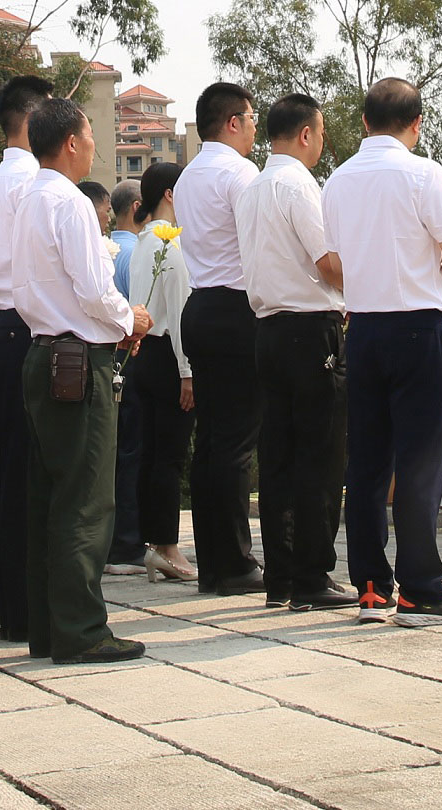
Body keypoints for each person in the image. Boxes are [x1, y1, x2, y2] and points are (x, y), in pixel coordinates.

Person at [324, 78, 442, 626]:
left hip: (363, 330)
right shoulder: (424, 173)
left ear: (364, 121)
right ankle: (421, 588)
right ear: (416, 124)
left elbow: (334, 262)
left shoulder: (337, 181)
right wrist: (441, 288)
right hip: (418, 326)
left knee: (367, 462)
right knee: (420, 460)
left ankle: (371, 587)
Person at [16, 97, 153, 663]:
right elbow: (94, 289)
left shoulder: (27, 198)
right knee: (86, 499)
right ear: (71, 142)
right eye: (91, 133)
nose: (96, 143)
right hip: (76, 360)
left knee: (49, 496)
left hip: (41, 352)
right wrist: (130, 318)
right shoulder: (70, 203)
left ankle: (48, 627)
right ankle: (82, 630)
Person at [239, 93, 353, 611]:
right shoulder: (301, 185)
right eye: (321, 134)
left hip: (267, 329)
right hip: (310, 328)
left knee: (278, 457)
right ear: (306, 134)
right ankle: (312, 575)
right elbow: (329, 263)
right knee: (320, 454)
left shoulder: (252, 188)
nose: (321, 143)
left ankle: (281, 577)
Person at [0, 73, 55, 647]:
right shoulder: (32, 183)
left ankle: (13, 607)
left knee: (4, 472)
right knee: (31, 472)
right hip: (25, 327)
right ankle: (30, 608)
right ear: (32, 119)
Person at [173, 82, 264, 596]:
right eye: (250, 119)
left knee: (210, 440)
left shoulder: (188, 177)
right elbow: (259, 246)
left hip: (202, 306)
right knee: (235, 443)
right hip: (235, 308)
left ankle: (213, 561)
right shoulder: (240, 173)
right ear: (232, 122)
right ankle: (235, 564)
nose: (254, 129)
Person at [124, 162, 195, 582]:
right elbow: (180, 311)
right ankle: (168, 546)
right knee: (170, 455)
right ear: (170, 194)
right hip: (169, 356)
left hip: (144, 354)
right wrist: (188, 371)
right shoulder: (171, 243)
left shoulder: (142, 243)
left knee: (151, 453)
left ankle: (153, 543)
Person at [104, 184, 152, 572]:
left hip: (106, 360)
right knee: (131, 452)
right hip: (131, 357)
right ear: (138, 207)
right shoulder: (137, 253)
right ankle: (127, 541)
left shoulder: (107, 250)